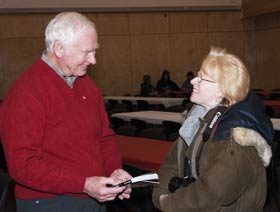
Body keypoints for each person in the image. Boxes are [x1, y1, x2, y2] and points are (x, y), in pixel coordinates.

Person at [0, 12, 132, 212]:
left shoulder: (87, 85)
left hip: (93, 198)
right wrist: (83, 184)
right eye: (86, 52)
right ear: (59, 49)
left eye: (94, 51)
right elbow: (22, 165)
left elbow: (104, 138)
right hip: (48, 203)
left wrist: (114, 170)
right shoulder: (26, 93)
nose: (93, 60)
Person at [152, 47, 274, 212]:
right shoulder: (196, 120)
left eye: (202, 78)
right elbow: (172, 164)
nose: (193, 81)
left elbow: (211, 195)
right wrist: (161, 195)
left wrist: (168, 203)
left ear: (222, 91)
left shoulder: (238, 136)